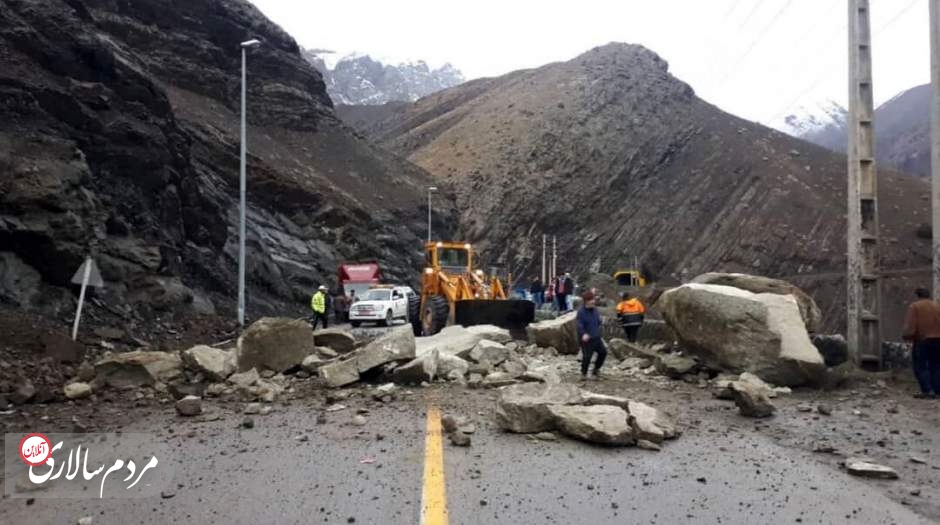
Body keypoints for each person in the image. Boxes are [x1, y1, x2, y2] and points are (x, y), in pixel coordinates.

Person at [902, 287, 940, 398]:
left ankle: (927, 390)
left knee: (921, 366)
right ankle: (937, 391)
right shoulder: (937, 305)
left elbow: (911, 325)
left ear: (917, 296)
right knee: (937, 365)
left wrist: (907, 335)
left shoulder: (915, 306)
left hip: (923, 340)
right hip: (938, 340)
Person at [576, 291, 606, 380]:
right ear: (586, 301)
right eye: (591, 300)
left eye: (593, 299)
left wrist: (601, 322)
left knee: (603, 353)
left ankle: (596, 370)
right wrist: (583, 334)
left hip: (596, 336)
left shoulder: (595, 310)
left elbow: (598, 321)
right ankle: (583, 374)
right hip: (586, 338)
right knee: (587, 357)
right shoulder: (581, 312)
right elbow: (579, 325)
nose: (593, 301)